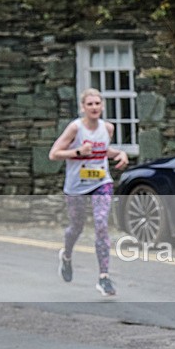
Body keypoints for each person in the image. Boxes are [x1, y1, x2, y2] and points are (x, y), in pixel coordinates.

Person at [49, 88, 129, 296]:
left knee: (101, 224)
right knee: (76, 226)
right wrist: (77, 152)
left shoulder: (108, 128)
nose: (94, 107)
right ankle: (66, 256)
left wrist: (120, 153)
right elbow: (54, 154)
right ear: (83, 107)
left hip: (101, 182)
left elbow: (103, 151)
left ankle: (104, 277)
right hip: (76, 185)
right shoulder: (75, 128)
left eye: (97, 104)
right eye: (90, 104)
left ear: (102, 106)